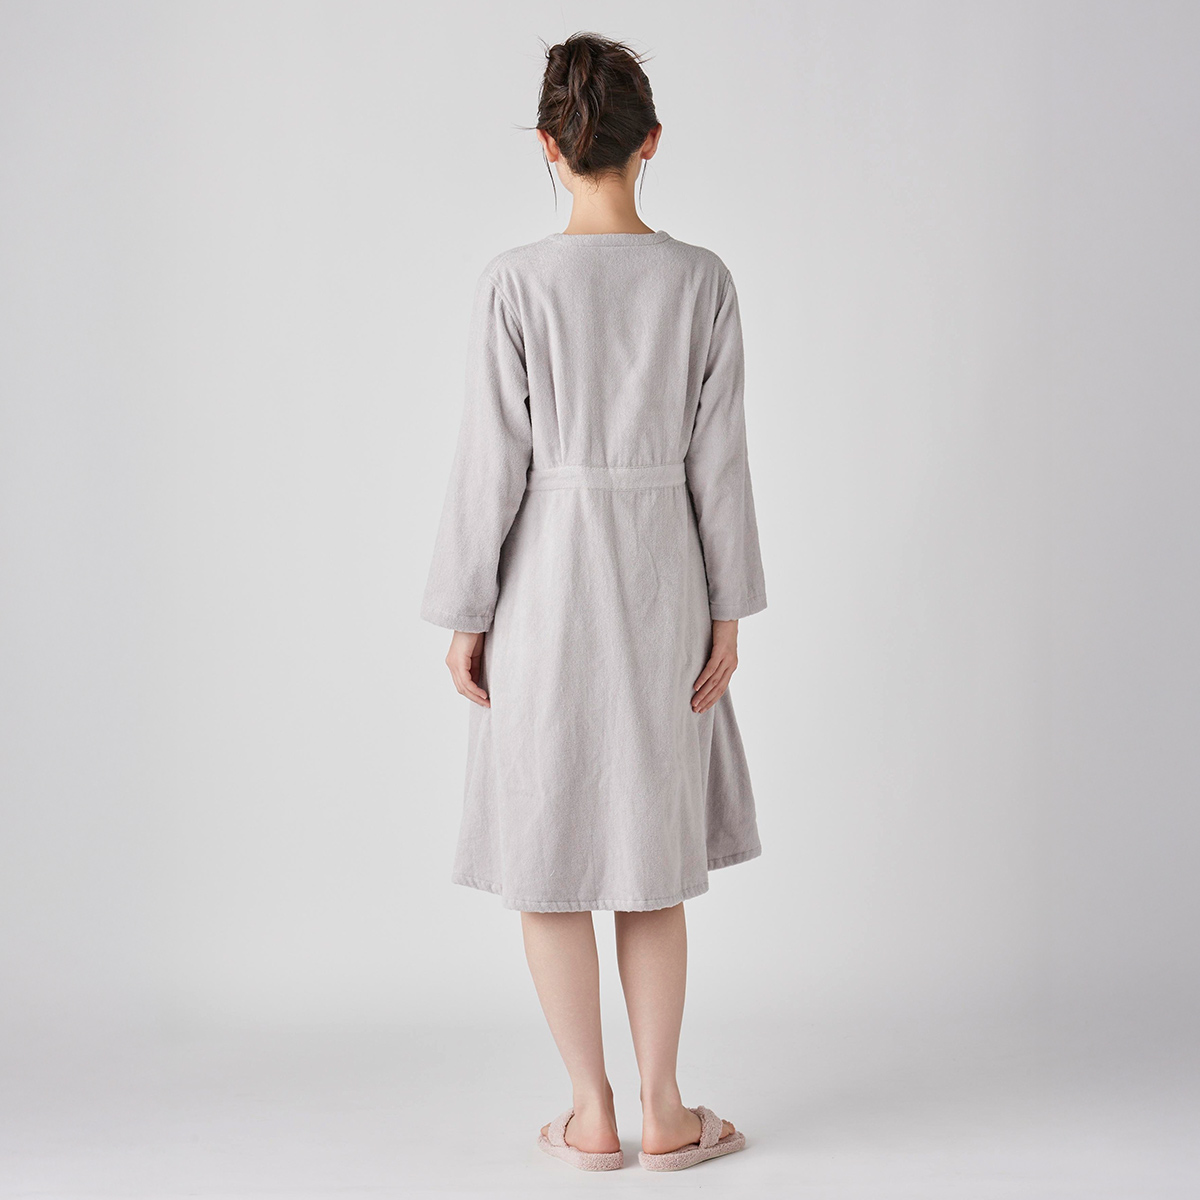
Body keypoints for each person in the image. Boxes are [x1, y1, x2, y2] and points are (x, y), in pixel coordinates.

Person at [420, 31, 767, 1173]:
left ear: (547, 146)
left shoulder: (516, 282)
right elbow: (721, 466)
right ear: (650, 141)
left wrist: (467, 611)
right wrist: (728, 614)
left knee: (551, 848)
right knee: (649, 861)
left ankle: (591, 1113)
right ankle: (665, 1111)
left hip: (545, 593)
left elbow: (490, 464)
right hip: (667, 586)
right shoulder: (701, 281)